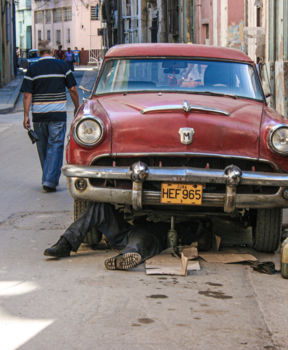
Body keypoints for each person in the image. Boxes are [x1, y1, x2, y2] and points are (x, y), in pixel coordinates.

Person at [44, 202, 212, 270]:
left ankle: (126, 257)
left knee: (141, 238)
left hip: (157, 235)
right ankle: (65, 243)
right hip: (128, 230)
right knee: (99, 207)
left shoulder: (192, 226)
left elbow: (204, 236)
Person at [21, 40, 80, 193]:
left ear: (39, 52)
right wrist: (77, 107)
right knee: (55, 146)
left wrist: (26, 115)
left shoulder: (32, 69)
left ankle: (49, 178)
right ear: (52, 51)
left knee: (43, 148)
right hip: (57, 115)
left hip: (39, 116)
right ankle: (49, 180)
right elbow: (73, 89)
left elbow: (27, 95)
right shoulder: (62, 66)